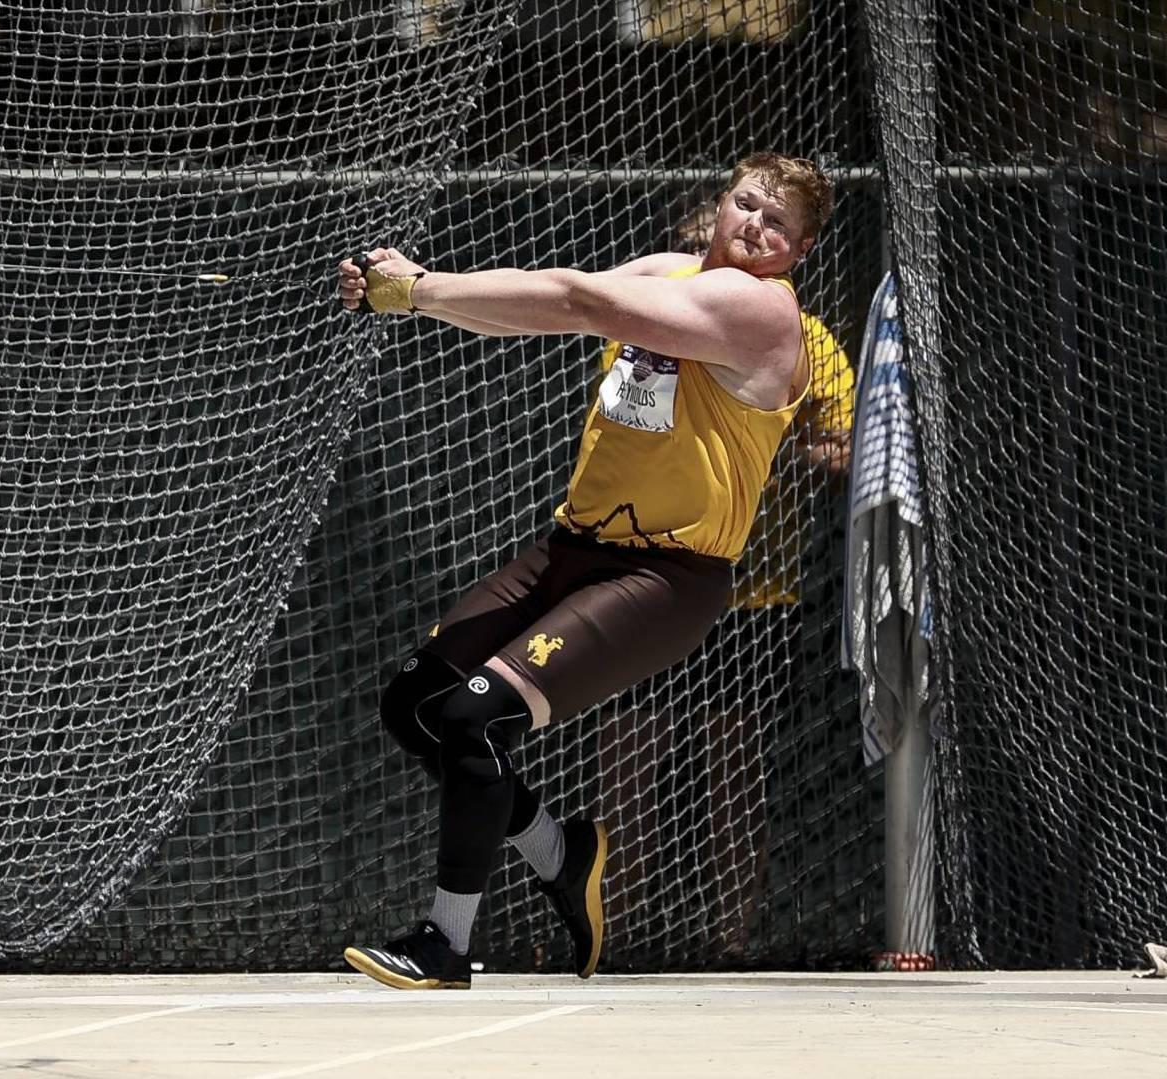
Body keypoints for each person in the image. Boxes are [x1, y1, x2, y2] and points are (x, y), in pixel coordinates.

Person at [335, 152, 834, 989]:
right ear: (721, 204)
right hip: (575, 548)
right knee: (414, 704)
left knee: (476, 718)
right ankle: (562, 853)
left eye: (777, 222)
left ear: (798, 252)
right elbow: (538, 309)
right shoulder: (670, 274)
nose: (755, 225)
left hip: (668, 576)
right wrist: (416, 297)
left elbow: (574, 297)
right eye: (747, 203)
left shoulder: (759, 312)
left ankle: (446, 944)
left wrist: (420, 286)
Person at [600, 196, 854, 960]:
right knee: (625, 771)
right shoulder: (637, 328)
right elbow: (622, 422)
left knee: (734, 777)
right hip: (641, 575)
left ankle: (730, 939)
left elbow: (843, 445)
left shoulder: (801, 336)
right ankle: (601, 934)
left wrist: (768, 451)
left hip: (748, 594)